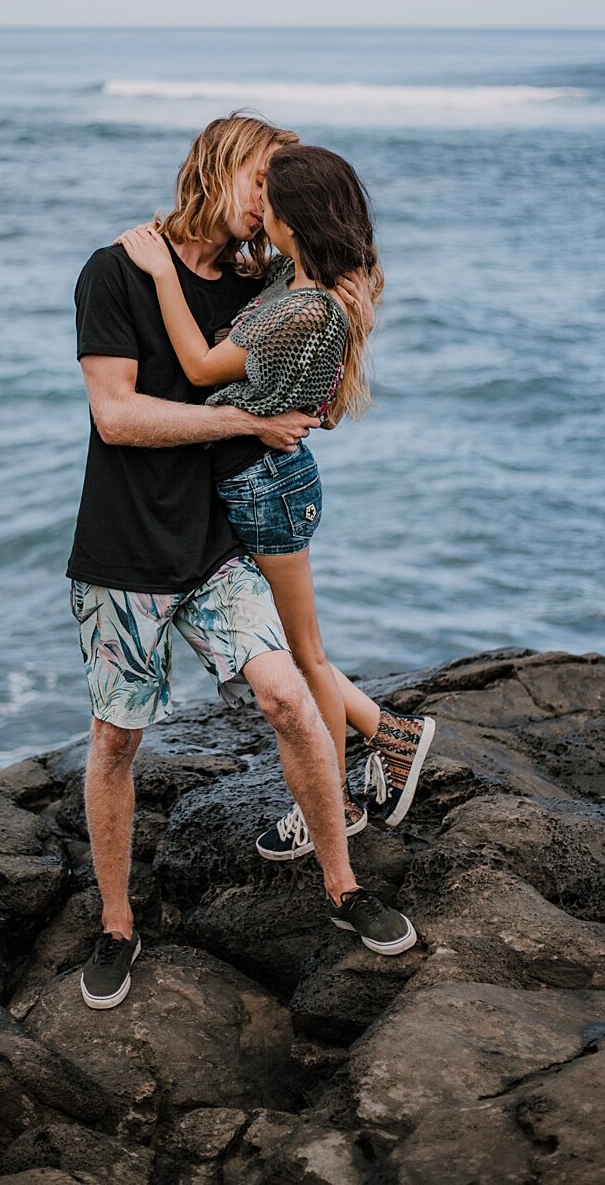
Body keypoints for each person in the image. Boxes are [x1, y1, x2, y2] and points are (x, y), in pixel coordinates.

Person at [68, 115, 416, 1011]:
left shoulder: (264, 284)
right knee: (116, 741)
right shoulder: (116, 270)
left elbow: (306, 370)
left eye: (280, 188)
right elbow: (118, 417)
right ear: (220, 170)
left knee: (291, 696)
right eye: (263, 179)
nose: (269, 202)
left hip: (221, 545)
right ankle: (115, 924)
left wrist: (302, 407)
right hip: (126, 546)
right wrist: (247, 422)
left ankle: (344, 886)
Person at [118, 143, 435, 863]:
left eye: (269, 194)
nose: (258, 203)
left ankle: (333, 806)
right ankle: (391, 737)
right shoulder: (301, 278)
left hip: (267, 487)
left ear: (294, 220)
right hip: (262, 481)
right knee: (298, 652)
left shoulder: (300, 308)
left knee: (304, 658)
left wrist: (162, 269)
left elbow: (201, 366)